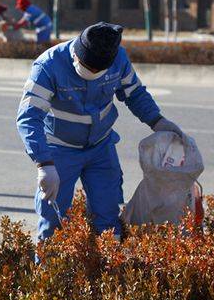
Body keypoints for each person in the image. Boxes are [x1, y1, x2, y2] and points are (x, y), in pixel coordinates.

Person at [16, 22, 184, 244]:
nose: (92, 73)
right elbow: (29, 117)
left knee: (107, 215)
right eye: (88, 68)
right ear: (76, 54)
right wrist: (44, 164)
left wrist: (157, 121)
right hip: (59, 150)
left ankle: (105, 268)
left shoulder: (118, 59)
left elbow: (135, 94)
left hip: (101, 147)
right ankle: (48, 269)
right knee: (53, 218)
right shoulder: (49, 65)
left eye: (98, 71)